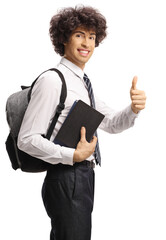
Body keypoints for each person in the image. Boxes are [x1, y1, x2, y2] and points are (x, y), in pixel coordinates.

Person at [17, 5, 146, 240]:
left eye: (92, 37)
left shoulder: (82, 83)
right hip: (67, 178)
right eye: (79, 35)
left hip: (83, 177)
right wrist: (72, 156)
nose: (87, 43)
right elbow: (26, 139)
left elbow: (113, 123)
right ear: (64, 38)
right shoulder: (52, 81)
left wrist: (134, 109)